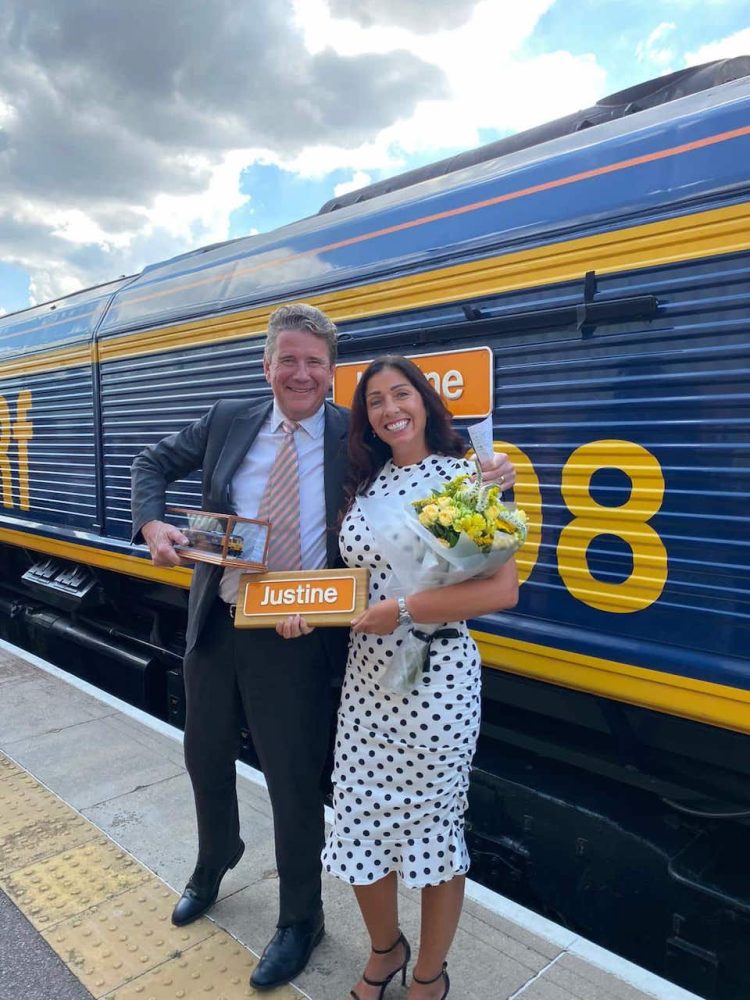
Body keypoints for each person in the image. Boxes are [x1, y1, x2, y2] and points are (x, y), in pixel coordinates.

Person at [130, 304, 516, 991]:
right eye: (289, 359)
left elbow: (438, 492)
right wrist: (154, 525)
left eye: (315, 361)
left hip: (307, 641)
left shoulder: (354, 436)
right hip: (218, 622)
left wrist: (491, 477)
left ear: (330, 373)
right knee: (205, 755)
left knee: (294, 785)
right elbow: (152, 461)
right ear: (267, 364)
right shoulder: (228, 420)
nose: (301, 373)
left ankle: (299, 921)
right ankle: (214, 861)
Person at [285, 356, 518, 1000]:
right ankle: (385, 952)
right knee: (358, 822)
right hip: (367, 684)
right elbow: (352, 591)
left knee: (435, 830)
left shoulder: (471, 477)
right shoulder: (362, 491)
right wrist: (306, 616)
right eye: (376, 403)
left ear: (425, 400)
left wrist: (406, 610)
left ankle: (430, 975)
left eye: (401, 395)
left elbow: (502, 588)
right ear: (366, 420)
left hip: (440, 678)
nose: (391, 410)